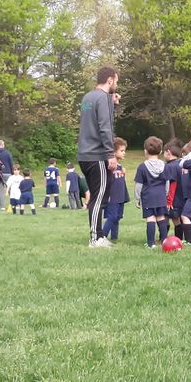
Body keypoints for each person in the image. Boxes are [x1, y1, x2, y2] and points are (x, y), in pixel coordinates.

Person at [78, 66, 120, 248]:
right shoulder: (103, 98)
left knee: (97, 196)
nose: (116, 85)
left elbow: (95, 121)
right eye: (116, 81)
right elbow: (104, 126)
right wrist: (110, 154)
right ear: (110, 80)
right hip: (97, 154)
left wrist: (113, 105)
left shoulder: (88, 97)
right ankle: (95, 238)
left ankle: (99, 235)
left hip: (84, 154)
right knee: (99, 197)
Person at [134, 136, 168, 249]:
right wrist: (166, 193)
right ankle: (164, 241)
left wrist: (137, 198)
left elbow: (139, 185)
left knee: (151, 219)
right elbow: (167, 181)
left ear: (145, 151)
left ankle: (151, 243)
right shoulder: (164, 165)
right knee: (161, 218)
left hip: (148, 197)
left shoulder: (142, 167)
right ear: (161, 151)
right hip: (161, 196)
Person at [102, 138, 130, 240]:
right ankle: (102, 236)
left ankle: (114, 238)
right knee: (112, 216)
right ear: (113, 151)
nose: (124, 153)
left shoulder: (120, 166)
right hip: (112, 196)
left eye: (124, 151)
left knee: (117, 217)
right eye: (121, 151)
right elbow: (106, 181)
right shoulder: (108, 165)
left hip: (120, 196)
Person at [163, 139, 185, 239]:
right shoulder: (182, 164)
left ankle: (168, 238)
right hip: (183, 197)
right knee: (180, 218)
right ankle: (182, 238)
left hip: (173, 199)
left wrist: (169, 201)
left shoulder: (169, 166)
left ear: (168, 152)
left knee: (170, 219)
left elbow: (172, 184)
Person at [0, 139, 14, 210]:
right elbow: (11, 163)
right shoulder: (7, 153)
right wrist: (13, 172)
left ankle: (2, 206)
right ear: (2, 145)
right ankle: (13, 204)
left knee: (0, 190)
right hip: (7, 172)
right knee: (11, 189)